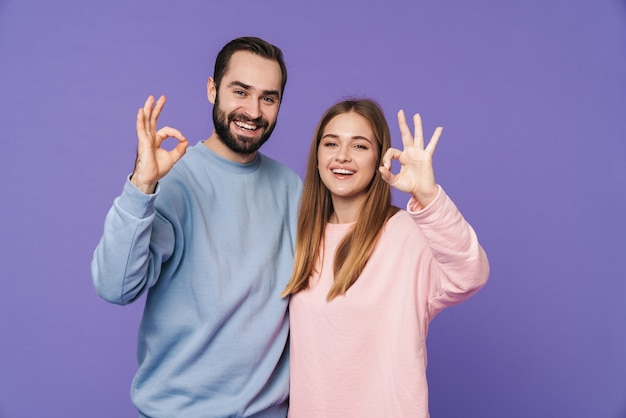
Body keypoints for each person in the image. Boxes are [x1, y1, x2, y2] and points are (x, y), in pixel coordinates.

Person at [91, 37, 302, 418]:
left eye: (268, 98)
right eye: (241, 91)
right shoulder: (172, 180)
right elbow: (115, 288)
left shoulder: (292, 189)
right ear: (212, 89)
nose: (253, 111)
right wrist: (141, 187)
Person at [282, 99, 490, 417]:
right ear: (318, 155)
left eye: (360, 146)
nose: (342, 156)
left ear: (380, 158)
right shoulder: (303, 238)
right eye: (331, 143)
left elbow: (471, 274)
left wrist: (428, 196)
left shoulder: (405, 233)